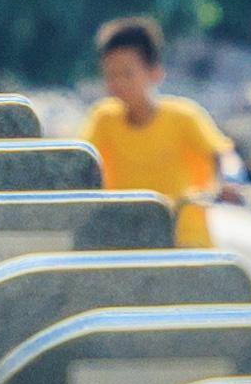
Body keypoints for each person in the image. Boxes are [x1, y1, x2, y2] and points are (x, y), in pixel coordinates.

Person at [76, 18, 226, 249]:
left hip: (182, 237)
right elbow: (80, 162)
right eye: (111, 74)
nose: (118, 83)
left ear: (154, 73)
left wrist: (224, 186)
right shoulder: (104, 119)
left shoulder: (184, 116)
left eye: (127, 74)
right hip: (124, 236)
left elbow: (222, 157)